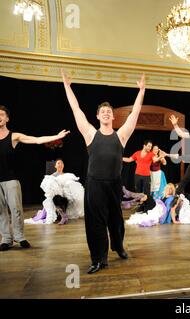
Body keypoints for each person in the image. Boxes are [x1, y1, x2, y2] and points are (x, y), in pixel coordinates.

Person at [61, 69, 145, 274]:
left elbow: (135, 113)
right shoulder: (90, 133)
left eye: (109, 111)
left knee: (116, 221)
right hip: (95, 184)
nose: (106, 113)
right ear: (97, 116)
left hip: (114, 184)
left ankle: (118, 246)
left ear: (113, 116)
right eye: (103, 111)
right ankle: (99, 258)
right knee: (95, 223)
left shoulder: (122, 135)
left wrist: (141, 90)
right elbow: (76, 109)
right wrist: (67, 86)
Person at [0, 105, 70, 251]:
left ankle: (19, 237)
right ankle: (6, 239)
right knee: (1, 211)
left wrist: (56, 136)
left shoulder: (14, 136)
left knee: (16, 209)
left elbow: (37, 140)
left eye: (1, 114)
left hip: (10, 179)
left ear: (7, 118)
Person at [25, 158, 84, 225]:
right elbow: (49, 188)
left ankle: (64, 214)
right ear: (55, 166)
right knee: (57, 198)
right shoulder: (52, 176)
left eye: (62, 163)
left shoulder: (68, 175)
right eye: (58, 163)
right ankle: (63, 216)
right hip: (58, 198)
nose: (60, 164)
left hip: (67, 197)